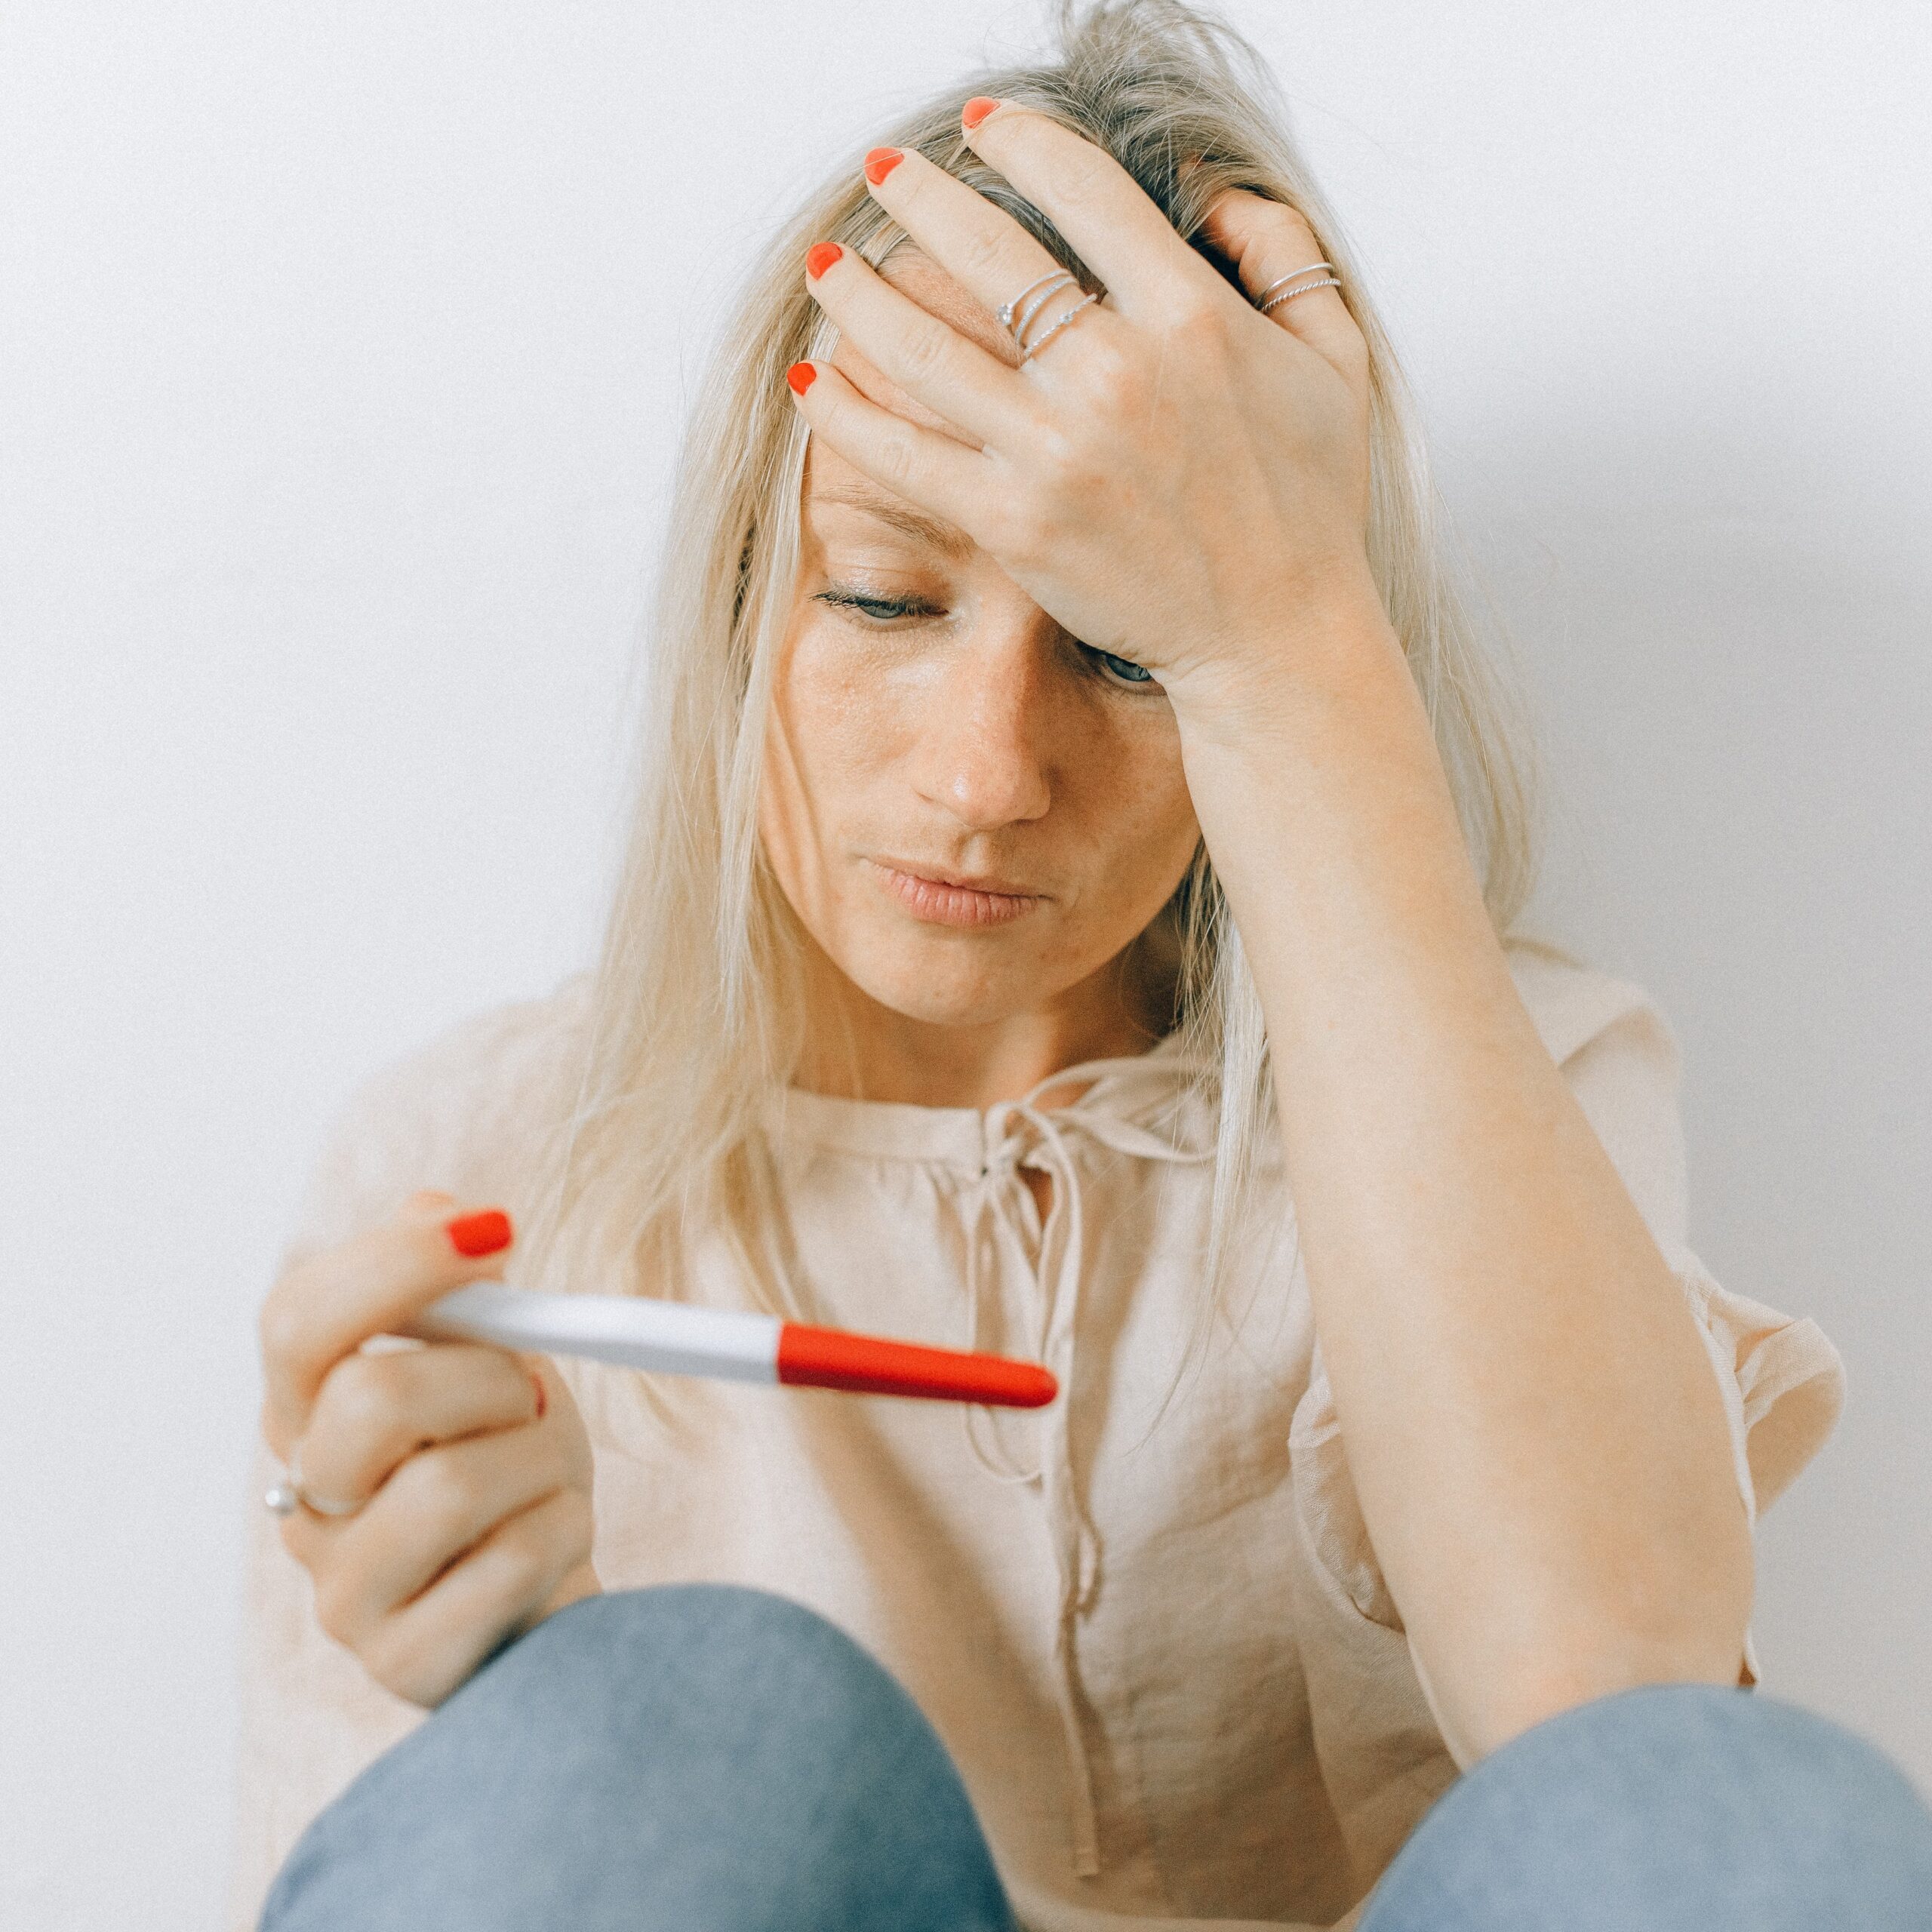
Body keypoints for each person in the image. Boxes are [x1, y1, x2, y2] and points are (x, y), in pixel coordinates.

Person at [228, 3, 1932, 1927]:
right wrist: (526, 1708)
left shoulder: (1511, 1073)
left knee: (1743, 1808)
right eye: (884, 596)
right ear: (740, 596)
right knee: (673, 1722)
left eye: (1125, 648)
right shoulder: (472, 1157)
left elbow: (1622, 1714)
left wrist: (1281, 631)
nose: (984, 777)